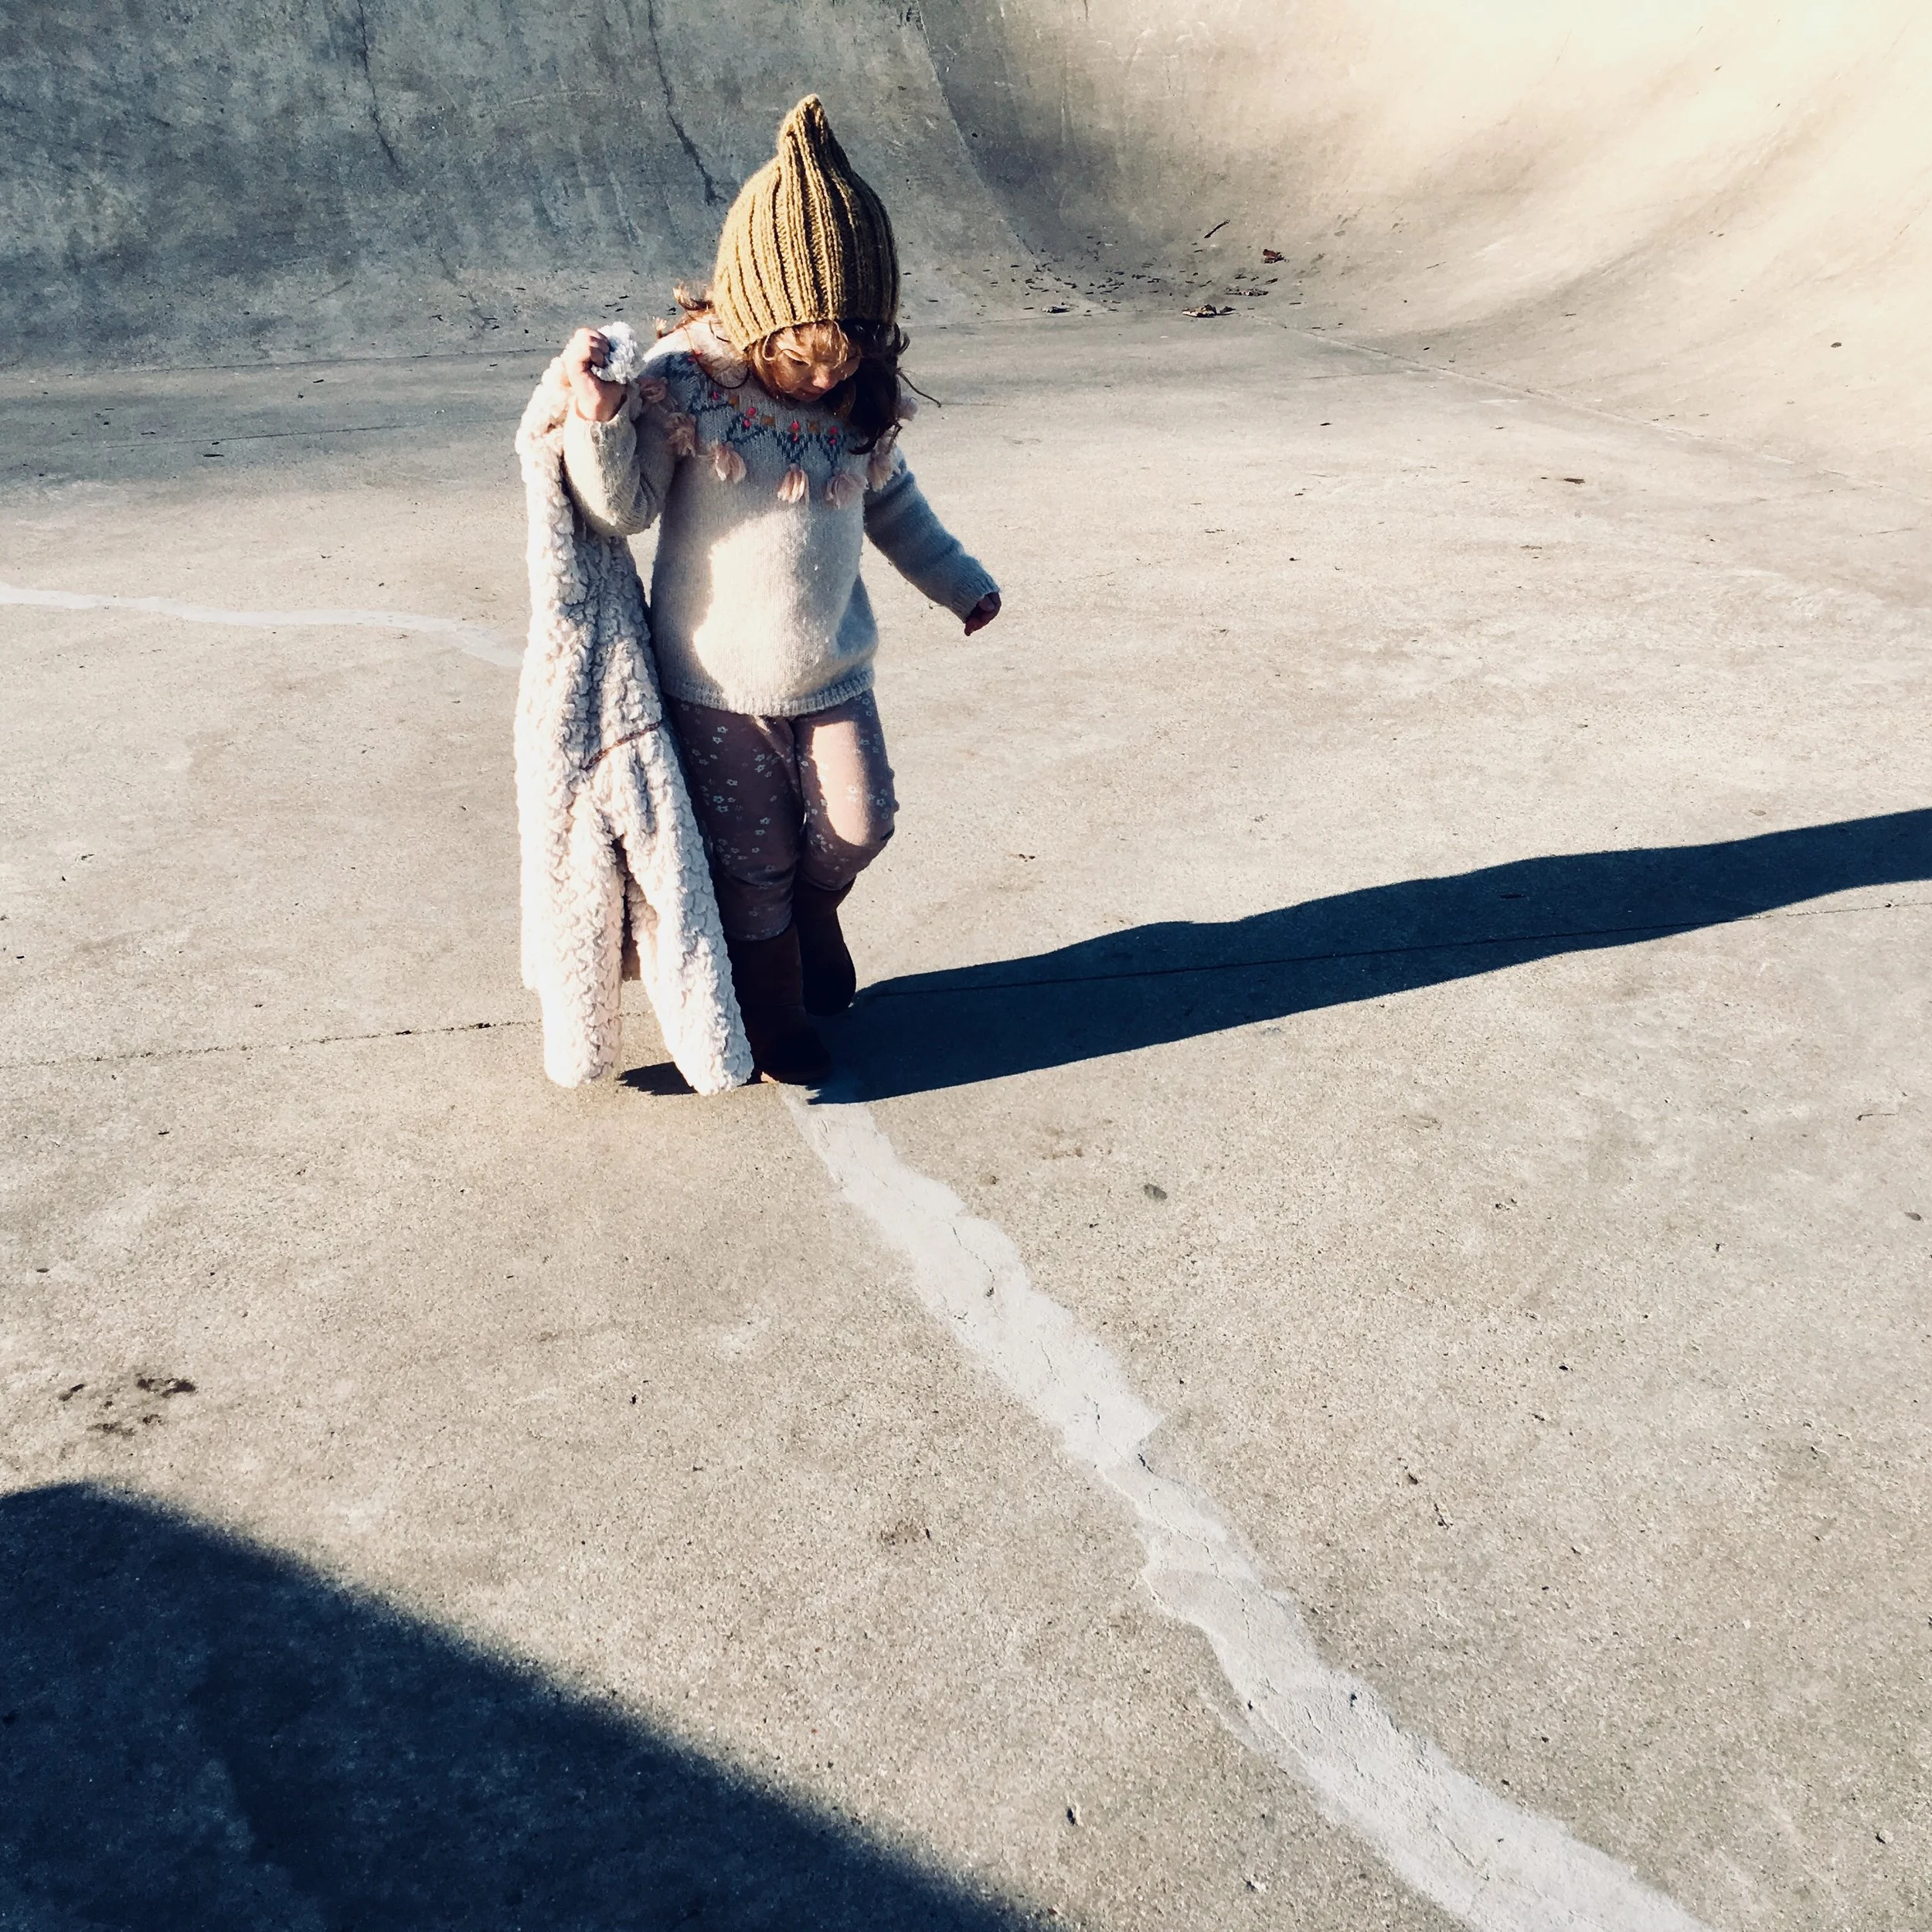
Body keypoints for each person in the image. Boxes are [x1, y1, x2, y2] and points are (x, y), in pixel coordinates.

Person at [556, 95, 1000, 1084]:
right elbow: (623, 507)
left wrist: (960, 582)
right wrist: (599, 420)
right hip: (715, 685)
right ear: (755, 313)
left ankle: (816, 913)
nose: (820, 377)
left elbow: (894, 508)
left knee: (860, 823)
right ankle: (777, 1013)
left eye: (847, 355)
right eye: (801, 356)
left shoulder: (853, 402)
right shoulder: (688, 385)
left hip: (834, 671)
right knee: (751, 868)